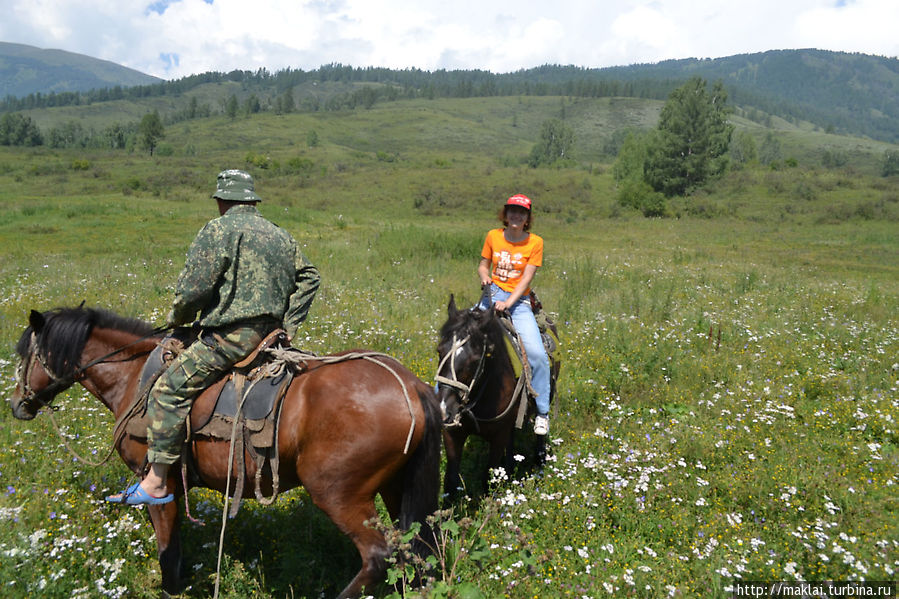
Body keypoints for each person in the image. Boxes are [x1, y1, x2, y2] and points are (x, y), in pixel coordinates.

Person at [108, 169, 320, 505]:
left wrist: (178, 321)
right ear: (251, 200)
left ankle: (158, 481)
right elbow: (310, 277)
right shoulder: (279, 235)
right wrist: (289, 326)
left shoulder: (217, 230)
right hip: (271, 337)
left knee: (168, 389)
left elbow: (193, 290)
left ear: (222, 201)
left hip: (230, 339)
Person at [477, 193, 552, 435]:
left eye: (521, 212)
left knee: (537, 355)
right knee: (458, 339)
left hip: (518, 302)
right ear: (505, 214)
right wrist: (484, 277)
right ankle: (438, 396)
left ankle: (542, 412)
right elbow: (482, 264)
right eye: (512, 211)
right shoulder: (493, 236)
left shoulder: (535, 243)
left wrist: (508, 303)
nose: (516, 215)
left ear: (528, 217)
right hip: (491, 295)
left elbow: (527, 278)